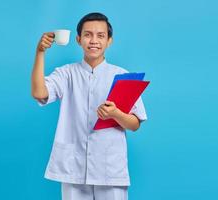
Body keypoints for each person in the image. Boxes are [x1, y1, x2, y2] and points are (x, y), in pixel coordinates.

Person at [31, 12, 147, 200]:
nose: (94, 41)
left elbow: (135, 124)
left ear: (109, 41)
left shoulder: (122, 76)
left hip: (110, 170)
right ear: (78, 39)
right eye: (88, 35)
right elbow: (39, 93)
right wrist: (40, 52)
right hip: (73, 167)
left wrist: (116, 114)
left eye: (100, 36)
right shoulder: (66, 73)